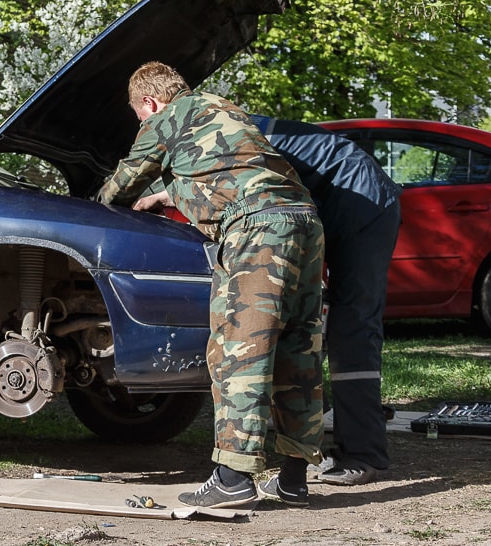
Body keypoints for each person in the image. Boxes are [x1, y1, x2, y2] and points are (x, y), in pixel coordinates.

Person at [96, 61, 326, 510]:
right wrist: (169, 194)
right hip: (304, 221)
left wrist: (100, 202)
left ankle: (234, 478)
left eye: (139, 116)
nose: (142, 123)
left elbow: (122, 186)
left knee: (241, 350)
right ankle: (294, 479)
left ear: (150, 102)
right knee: (297, 350)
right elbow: (227, 171)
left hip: (258, 229)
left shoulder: (165, 118)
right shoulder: (225, 109)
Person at [249, 115, 401, 486]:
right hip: (335, 204)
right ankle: (336, 446)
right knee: (314, 326)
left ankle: (365, 455)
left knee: (353, 328)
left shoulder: (229, 133)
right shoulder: (227, 126)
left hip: (362, 203)